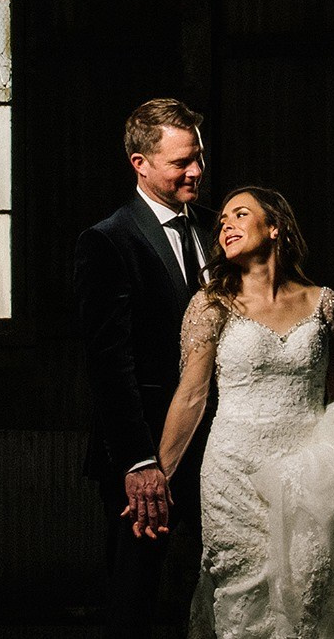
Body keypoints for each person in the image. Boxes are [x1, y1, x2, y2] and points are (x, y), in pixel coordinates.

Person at [148, 187, 334, 639]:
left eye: (240, 214)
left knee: (310, 591)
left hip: (310, 472)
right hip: (234, 473)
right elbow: (191, 397)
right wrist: (158, 477)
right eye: (222, 218)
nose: (225, 223)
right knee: (244, 593)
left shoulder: (324, 303)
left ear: (274, 227)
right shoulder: (211, 304)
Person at [76, 98, 214, 639]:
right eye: (182, 162)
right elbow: (109, 363)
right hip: (145, 456)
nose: (197, 170)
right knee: (135, 597)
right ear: (141, 163)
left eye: (199, 157)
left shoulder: (216, 228)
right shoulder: (108, 241)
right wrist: (139, 462)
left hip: (221, 447)